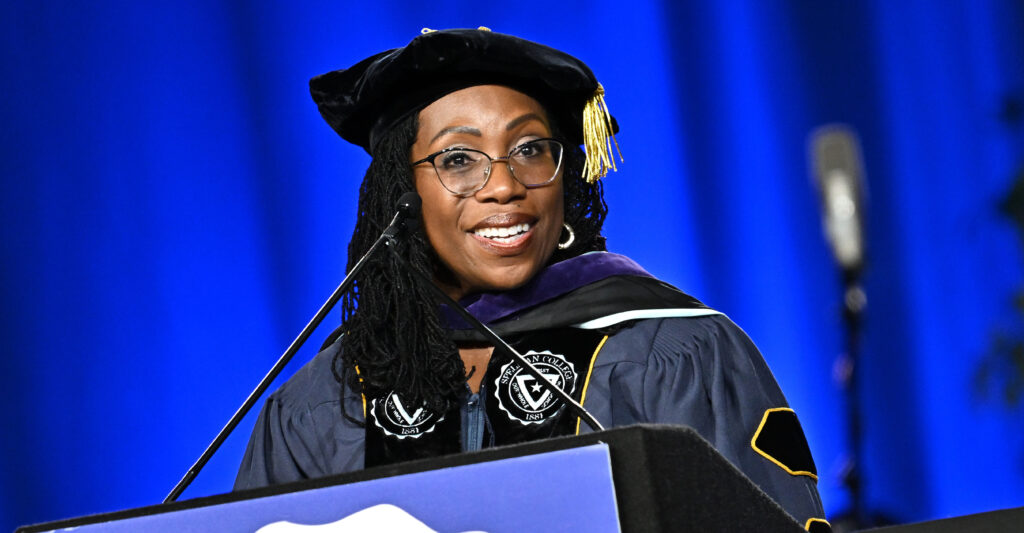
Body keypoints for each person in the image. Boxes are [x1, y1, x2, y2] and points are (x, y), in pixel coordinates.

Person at [234, 27, 828, 529]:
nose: (504, 185)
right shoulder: (329, 397)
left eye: (530, 149)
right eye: (458, 158)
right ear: (401, 194)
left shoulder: (675, 351)